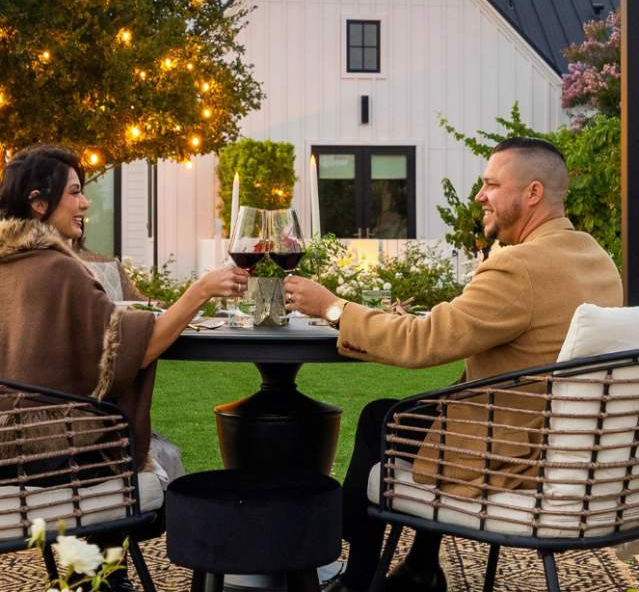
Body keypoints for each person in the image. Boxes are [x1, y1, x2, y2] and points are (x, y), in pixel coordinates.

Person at [284, 137, 623, 592]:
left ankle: (343, 568)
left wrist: (332, 308)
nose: (480, 196)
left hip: (511, 453)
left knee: (381, 419)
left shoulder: (518, 267)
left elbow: (423, 345)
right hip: (570, 453)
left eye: (491, 184)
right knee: (419, 414)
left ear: (533, 193)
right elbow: (518, 331)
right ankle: (419, 566)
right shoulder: (596, 258)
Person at [0, 144, 249, 590]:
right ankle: (106, 577)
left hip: (7, 456)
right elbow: (133, 348)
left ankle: (94, 573)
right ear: (39, 203)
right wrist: (201, 290)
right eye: (74, 193)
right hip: (53, 462)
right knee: (146, 454)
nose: (85, 203)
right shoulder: (58, 269)